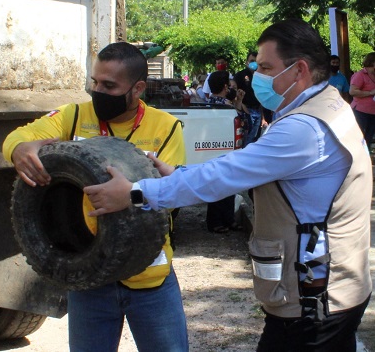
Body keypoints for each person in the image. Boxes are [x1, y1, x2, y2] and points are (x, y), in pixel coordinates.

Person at [84, 19, 372, 351]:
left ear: (299, 70)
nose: (256, 76)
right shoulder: (331, 104)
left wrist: (136, 193)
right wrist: (177, 173)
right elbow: (243, 170)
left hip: (314, 297)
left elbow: (226, 175)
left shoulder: (303, 129)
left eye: (265, 67)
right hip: (339, 284)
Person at [2, 42, 188, 352]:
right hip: (90, 279)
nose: (98, 91)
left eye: (109, 85)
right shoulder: (73, 116)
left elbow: (174, 193)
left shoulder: (165, 127)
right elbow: (19, 137)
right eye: (95, 83)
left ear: (138, 88)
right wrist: (20, 150)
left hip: (149, 276)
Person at [205, 71, 243, 233]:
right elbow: (243, 120)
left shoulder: (209, 102)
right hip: (227, 148)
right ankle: (221, 221)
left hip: (215, 147)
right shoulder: (225, 106)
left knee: (220, 184)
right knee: (225, 185)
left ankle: (224, 220)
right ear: (225, 87)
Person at [234, 52, 264, 144]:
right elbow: (235, 94)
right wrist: (243, 106)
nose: (254, 63)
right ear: (247, 62)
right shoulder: (240, 75)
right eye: (251, 61)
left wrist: (263, 117)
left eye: (256, 61)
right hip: (246, 112)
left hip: (258, 111)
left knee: (254, 138)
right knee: (245, 139)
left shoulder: (261, 76)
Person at [349, 52, 375, 150]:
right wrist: (370, 93)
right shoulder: (360, 75)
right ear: (372, 63)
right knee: (359, 137)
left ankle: (366, 157)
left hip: (373, 113)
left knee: (368, 137)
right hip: (361, 112)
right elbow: (352, 92)